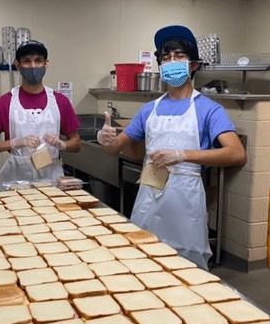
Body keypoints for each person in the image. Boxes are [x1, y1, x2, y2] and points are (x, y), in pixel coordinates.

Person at [98, 25, 247, 270]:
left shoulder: (208, 109)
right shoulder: (150, 109)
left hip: (184, 201)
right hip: (149, 196)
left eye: (179, 56)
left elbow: (236, 153)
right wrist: (107, 140)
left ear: (193, 65)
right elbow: (115, 148)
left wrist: (182, 155)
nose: (172, 62)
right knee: (142, 260)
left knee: (186, 266)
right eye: (166, 58)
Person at [0, 40, 81, 190]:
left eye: (38, 61)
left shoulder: (60, 102)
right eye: (27, 61)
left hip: (51, 180)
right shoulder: (5, 103)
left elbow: (76, 143)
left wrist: (62, 144)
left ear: (46, 63)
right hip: (15, 181)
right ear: (18, 65)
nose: (33, 66)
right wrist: (13, 143)